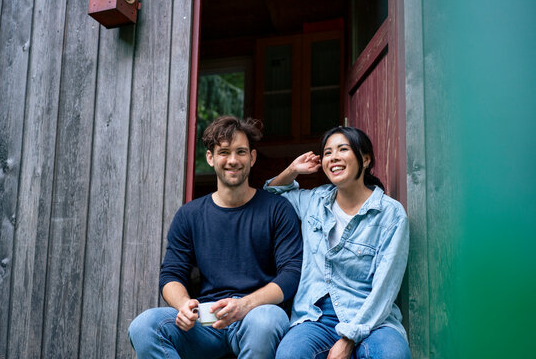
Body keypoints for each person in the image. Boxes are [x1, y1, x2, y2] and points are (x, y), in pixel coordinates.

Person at [128, 116, 303, 359]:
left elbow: (292, 273)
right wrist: (184, 305)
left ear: (252, 158)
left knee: (266, 321)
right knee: (144, 326)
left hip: (257, 313)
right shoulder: (189, 215)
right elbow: (171, 274)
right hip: (206, 320)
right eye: (224, 152)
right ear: (211, 158)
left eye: (241, 152)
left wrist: (245, 305)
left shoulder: (277, 209)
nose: (233, 160)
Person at [265, 126, 411, 359]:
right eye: (328, 152)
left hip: (373, 318)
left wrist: (349, 337)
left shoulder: (390, 214)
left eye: (342, 149)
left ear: (364, 159)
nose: (333, 157)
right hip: (316, 316)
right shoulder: (314, 200)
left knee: (393, 354)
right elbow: (270, 200)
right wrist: (293, 169)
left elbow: (385, 288)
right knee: (289, 354)